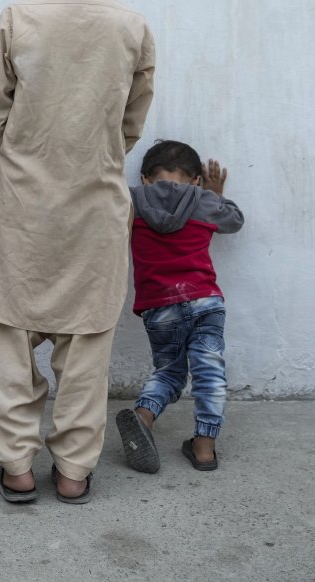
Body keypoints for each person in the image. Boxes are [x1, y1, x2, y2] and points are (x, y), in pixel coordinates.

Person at [0, 0, 154, 506]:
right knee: (86, 341)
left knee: (6, 335)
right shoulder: (132, 27)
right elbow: (131, 122)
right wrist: (100, 154)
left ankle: (17, 467)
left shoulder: (18, 20)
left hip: (24, 202)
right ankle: (74, 472)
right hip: (94, 204)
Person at [114, 140, 245, 474]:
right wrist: (215, 194)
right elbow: (235, 221)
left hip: (160, 306)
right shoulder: (204, 200)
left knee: (170, 372)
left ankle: (143, 418)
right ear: (197, 179)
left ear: (145, 178)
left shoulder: (130, 200)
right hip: (205, 301)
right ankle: (204, 448)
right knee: (209, 373)